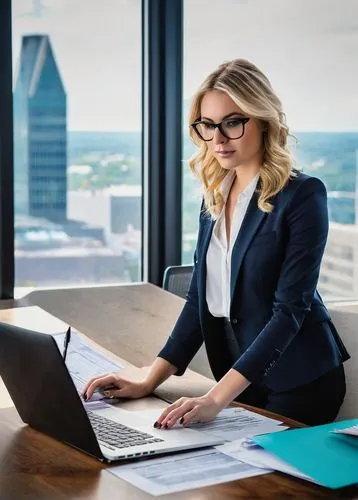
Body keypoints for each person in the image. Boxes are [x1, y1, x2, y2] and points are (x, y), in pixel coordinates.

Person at [83, 59, 350, 428]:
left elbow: (289, 311)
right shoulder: (214, 196)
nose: (218, 139)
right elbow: (199, 302)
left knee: (258, 484)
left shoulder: (302, 196)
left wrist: (214, 398)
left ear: (263, 120)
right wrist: (150, 377)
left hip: (299, 381)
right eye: (208, 126)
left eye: (233, 123)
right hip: (239, 379)